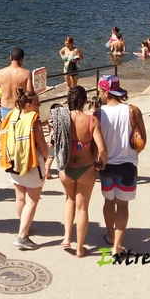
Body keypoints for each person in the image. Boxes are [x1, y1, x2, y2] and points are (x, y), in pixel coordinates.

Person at [51, 86, 106, 257]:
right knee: (82, 208)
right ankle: (80, 248)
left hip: (66, 168)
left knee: (69, 199)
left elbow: (52, 142)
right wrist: (102, 162)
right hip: (86, 168)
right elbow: (102, 148)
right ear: (85, 101)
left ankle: (67, 238)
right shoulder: (91, 121)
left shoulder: (61, 118)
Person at [96, 75, 145, 256]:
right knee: (123, 206)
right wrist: (130, 155)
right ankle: (117, 246)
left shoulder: (99, 114)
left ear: (106, 93)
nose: (99, 94)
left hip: (106, 165)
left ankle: (110, 235)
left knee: (109, 202)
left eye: (100, 91)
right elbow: (143, 140)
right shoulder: (133, 110)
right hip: (128, 165)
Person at [0, 89, 49, 250]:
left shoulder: (12, 116)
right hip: (31, 164)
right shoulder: (34, 121)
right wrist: (47, 156)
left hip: (14, 162)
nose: (39, 106)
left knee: (20, 198)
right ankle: (22, 237)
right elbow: (43, 148)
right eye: (37, 103)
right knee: (32, 201)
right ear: (28, 105)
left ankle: (24, 226)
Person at [0, 47, 32, 123]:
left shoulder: (0, 72)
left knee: (8, 130)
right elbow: (30, 94)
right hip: (19, 109)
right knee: (20, 130)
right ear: (22, 59)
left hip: (5, 109)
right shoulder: (26, 74)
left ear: (10, 58)